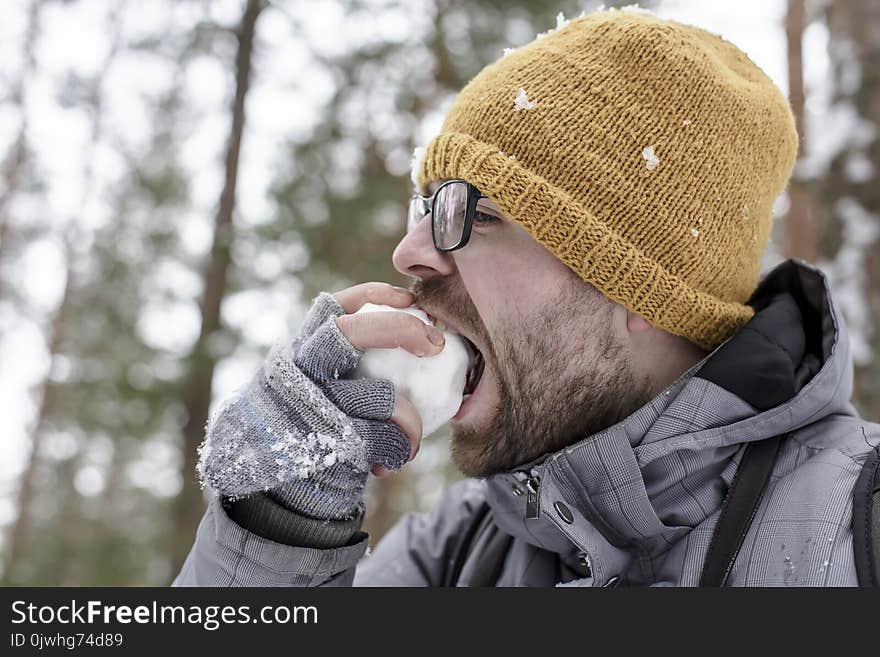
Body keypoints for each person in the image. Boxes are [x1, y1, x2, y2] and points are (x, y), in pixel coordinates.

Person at [173, 9, 879, 587]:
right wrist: (275, 533)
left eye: (468, 210)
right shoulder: (452, 551)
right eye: (424, 206)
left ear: (633, 280)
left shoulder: (859, 531)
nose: (409, 251)